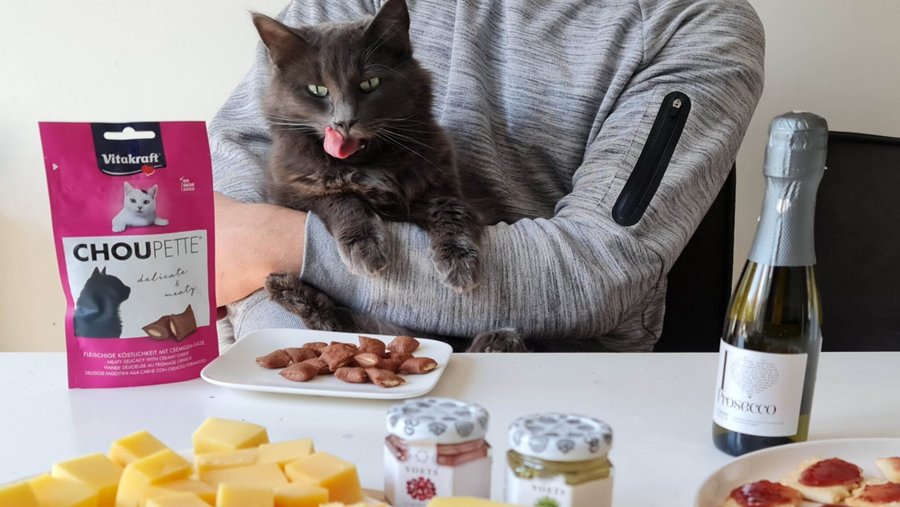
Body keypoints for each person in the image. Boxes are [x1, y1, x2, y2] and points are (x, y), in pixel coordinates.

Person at [211, 0, 764, 352]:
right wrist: (286, 347)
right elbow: (229, 201)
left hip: (537, 367)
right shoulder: (341, 10)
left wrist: (288, 247)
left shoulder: (690, 22)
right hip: (311, 362)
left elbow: (598, 270)